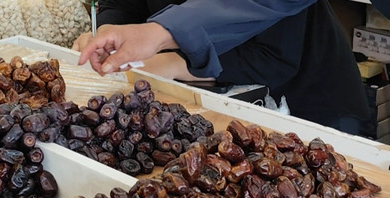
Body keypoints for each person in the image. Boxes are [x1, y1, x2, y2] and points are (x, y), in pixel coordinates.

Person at [74, 0, 370, 136]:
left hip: (310, 106)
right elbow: (125, 6)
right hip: (214, 106)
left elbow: (274, 58)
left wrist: (173, 62)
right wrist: (109, 32)